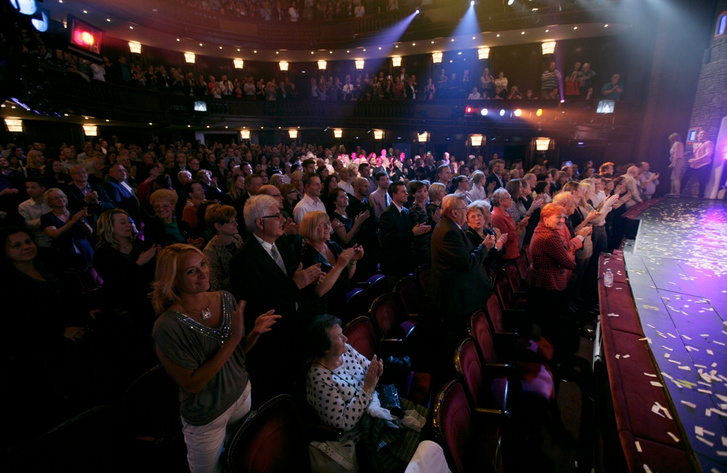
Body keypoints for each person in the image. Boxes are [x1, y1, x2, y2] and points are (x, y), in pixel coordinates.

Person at [151, 244, 280, 473]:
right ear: (172, 280)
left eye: (202, 264)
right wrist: (233, 339)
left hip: (240, 397)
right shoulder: (167, 326)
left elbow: (236, 354)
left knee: (243, 462)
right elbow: (193, 384)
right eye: (191, 271)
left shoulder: (225, 298)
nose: (203, 274)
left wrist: (253, 334)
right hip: (207, 416)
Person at [229, 195, 324, 402]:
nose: (284, 220)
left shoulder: (281, 241)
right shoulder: (243, 260)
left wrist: (309, 279)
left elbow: (294, 276)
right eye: (277, 215)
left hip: (299, 329)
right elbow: (257, 307)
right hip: (275, 345)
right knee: (286, 397)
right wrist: (295, 285)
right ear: (260, 223)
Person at [299, 211, 363, 323]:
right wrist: (340, 265)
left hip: (342, 303)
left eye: (327, 223)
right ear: (310, 228)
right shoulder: (306, 255)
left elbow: (347, 275)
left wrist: (352, 261)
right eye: (321, 225)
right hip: (325, 313)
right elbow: (319, 291)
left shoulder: (332, 245)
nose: (327, 227)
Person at [94, 208, 158, 314]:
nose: (128, 225)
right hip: (122, 300)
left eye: (128, 222)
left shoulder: (137, 244)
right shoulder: (103, 253)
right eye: (123, 223)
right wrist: (138, 264)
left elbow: (151, 272)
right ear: (110, 227)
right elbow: (117, 283)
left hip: (148, 292)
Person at [379, 182, 430, 282]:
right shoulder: (387, 214)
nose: (406, 194)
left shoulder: (406, 211)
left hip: (406, 259)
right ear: (394, 194)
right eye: (403, 192)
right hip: (394, 262)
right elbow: (389, 239)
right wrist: (413, 233)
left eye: (406, 191)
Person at [41, 188, 94, 270]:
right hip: (65, 254)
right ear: (49, 202)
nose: (60, 199)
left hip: (85, 250)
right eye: (55, 198)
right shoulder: (47, 217)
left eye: (62, 196)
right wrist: (72, 221)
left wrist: (82, 221)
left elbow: (89, 232)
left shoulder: (75, 213)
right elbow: (54, 235)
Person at [203, 204, 243, 292]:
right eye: (231, 222)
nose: (236, 224)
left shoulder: (237, 238)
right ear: (218, 226)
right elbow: (216, 286)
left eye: (235, 220)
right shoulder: (210, 251)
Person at [681, 130, 714, 197]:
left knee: (702, 181)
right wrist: (684, 154)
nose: (702, 135)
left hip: (703, 164)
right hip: (694, 164)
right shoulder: (695, 143)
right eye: (701, 133)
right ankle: (678, 192)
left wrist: (696, 159)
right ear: (698, 135)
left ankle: (701, 196)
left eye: (704, 133)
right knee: (685, 178)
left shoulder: (708, 143)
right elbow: (694, 152)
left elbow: (708, 154)